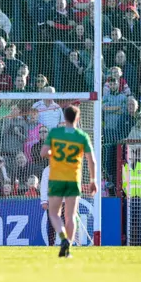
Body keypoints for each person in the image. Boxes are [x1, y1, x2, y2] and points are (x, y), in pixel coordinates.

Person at [40, 105, 97, 258]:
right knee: (70, 216)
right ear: (78, 118)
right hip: (73, 179)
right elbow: (91, 160)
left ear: (64, 118)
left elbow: (43, 153)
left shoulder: (55, 133)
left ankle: (63, 237)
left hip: (57, 178)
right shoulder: (82, 136)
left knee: (53, 213)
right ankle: (68, 249)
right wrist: (93, 180)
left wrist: (56, 153)